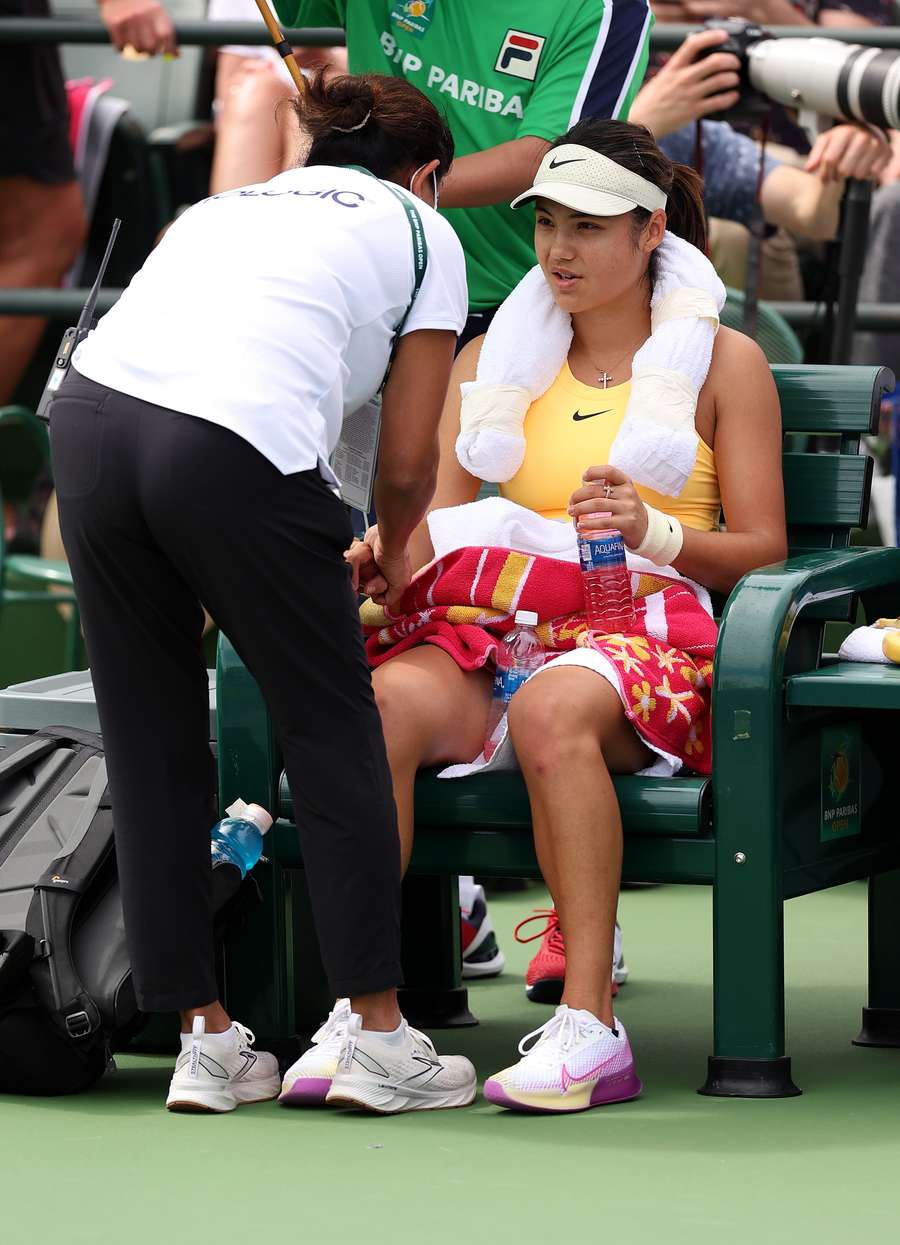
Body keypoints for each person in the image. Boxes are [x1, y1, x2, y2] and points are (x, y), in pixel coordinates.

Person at [49, 71, 477, 1116]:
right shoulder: (429, 234)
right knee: (332, 726)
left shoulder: (222, 206)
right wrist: (396, 539)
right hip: (225, 447)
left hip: (92, 426)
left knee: (149, 739)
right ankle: (378, 1035)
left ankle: (202, 1038)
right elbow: (412, 460)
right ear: (428, 174)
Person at [348, 118, 787, 1112]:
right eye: (546, 222)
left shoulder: (727, 364)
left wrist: (656, 533)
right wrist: (383, 552)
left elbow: (763, 550)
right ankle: (370, 1023)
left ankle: (589, 1024)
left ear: (649, 233)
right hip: (497, 623)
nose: (557, 249)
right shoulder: (480, 367)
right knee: (379, 705)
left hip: (648, 635)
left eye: (587, 226)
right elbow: (441, 531)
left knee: (551, 708)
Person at [277, 0, 654, 345]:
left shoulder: (606, 9)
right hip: (360, 277)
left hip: (504, 304)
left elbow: (549, 157)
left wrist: (392, 190)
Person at [629, 29, 893, 295]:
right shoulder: (653, 117)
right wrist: (639, 124)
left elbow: (812, 214)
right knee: (729, 238)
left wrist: (841, 146)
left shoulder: (682, 134)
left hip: (670, 325)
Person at [207, 0, 348, 193]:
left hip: (341, 91)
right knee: (255, 90)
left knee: (318, 94)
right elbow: (226, 93)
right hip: (263, 105)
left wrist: (326, 58)